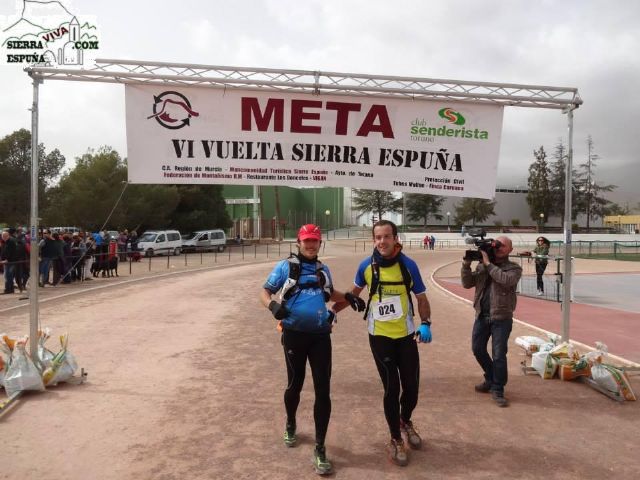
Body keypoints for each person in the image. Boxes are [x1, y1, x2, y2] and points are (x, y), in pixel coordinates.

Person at [259, 224, 365, 476]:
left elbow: (330, 295)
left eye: (314, 241)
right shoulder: (286, 267)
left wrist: (349, 297)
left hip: (320, 337)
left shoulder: (322, 269)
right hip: (294, 335)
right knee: (294, 384)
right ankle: (291, 422)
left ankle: (319, 447)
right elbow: (264, 291)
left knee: (323, 391)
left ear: (320, 244)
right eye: (306, 240)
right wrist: (272, 306)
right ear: (298, 242)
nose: (310, 245)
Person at [334, 220, 433, 467]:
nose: (382, 241)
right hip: (379, 337)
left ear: (396, 238)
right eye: (378, 237)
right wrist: (332, 312)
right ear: (373, 240)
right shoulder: (366, 266)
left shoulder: (408, 266)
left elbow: (421, 297)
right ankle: (395, 438)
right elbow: (352, 295)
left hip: (406, 335)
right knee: (392, 387)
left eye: (386, 236)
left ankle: (405, 420)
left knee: (412, 387)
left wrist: (426, 322)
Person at [461, 236, 522, 407]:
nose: (499, 248)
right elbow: (467, 283)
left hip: (501, 318)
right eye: (497, 245)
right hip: (482, 315)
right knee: (477, 349)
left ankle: (497, 389)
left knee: (499, 355)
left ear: (510, 249)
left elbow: (506, 280)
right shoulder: (482, 265)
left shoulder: (514, 268)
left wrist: (488, 264)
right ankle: (491, 377)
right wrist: (466, 265)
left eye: (503, 246)